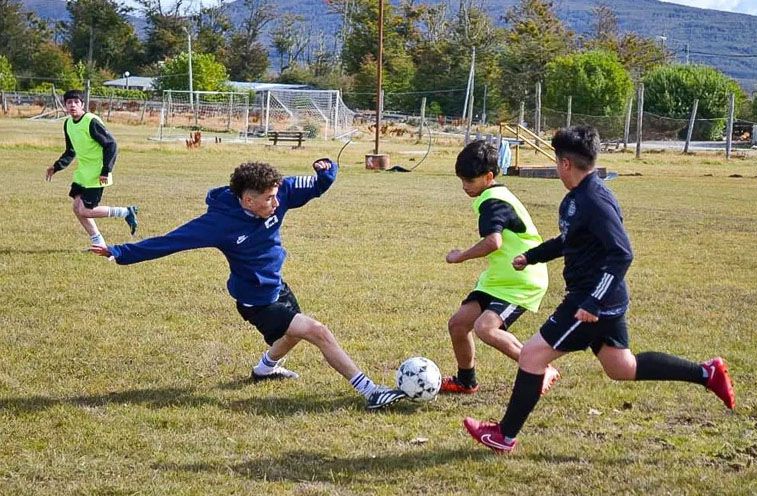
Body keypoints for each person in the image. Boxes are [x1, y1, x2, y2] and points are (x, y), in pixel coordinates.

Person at [464, 126, 735, 453]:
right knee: (622, 367)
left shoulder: (594, 200)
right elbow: (571, 241)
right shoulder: (581, 197)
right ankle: (707, 373)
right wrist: (533, 256)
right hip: (602, 300)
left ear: (565, 164)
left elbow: (621, 252)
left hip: (590, 303)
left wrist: (593, 301)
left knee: (533, 356)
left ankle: (504, 435)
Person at [90, 159, 407, 410]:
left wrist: (326, 172)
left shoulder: (278, 194)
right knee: (317, 331)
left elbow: (315, 186)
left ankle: (265, 368)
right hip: (256, 301)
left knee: (290, 336)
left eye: (276, 194)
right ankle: (370, 391)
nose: (276, 202)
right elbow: (170, 242)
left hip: (276, 286)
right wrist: (120, 252)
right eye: (268, 198)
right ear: (248, 199)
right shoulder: (218, 223)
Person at [443, 139, 560, 396]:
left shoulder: (493, 201)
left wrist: (460, 256)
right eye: (461, 180)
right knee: (459, 325)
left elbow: (493, 242)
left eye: (469, 181)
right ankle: (466, 381)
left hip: (522, 277)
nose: (464, 187)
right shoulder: (493, 194)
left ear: (488, 176)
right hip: (499, 277)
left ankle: (541, 368)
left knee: (486, 328)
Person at [46, 89, 138, 247]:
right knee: (77, 207)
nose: (73, 105)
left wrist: (106, 170)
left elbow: (111, 145)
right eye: (69, 102)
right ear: (65, 105)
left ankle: (126, 212)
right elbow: (71, 150)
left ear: (82, 104)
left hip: (98, 173)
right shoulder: (68, 123)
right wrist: (56, 166)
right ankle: (99, 243)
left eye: (76, 102)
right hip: (83, 173)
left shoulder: (91, 121)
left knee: (86, 210)